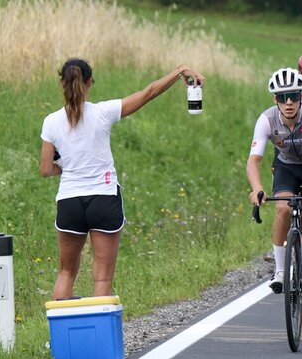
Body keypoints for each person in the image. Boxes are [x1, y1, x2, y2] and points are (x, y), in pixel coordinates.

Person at [41, 58, 205, 300]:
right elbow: (149, 92)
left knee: (66, 272)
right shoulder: (103, 112)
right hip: (103, 198)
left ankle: (62, 337)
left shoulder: (51, 121)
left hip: (69, 201)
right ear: (89, 83)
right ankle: (100, 337)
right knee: (103, 277)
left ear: (62, 83)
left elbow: (46, 169)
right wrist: (180, 71)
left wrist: (66, 168)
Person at [247, 68, 302, 310]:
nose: (288, 102)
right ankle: (279, 271)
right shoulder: (266, 119)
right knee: (283, 210)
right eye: (282, 97)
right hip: (287, 169)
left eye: (294, 96)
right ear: (275, 99)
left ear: (300, 97)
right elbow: (253, 160)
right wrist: (257, 189)